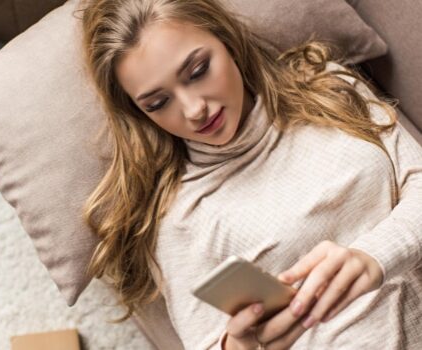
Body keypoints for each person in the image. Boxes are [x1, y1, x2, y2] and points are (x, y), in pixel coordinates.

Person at [78, 0, 422, 349]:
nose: (194, 109)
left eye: (198, 71)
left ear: (227, 41)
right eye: (158, 103)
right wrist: (242, 344)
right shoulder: (181, 219)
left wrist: (373, 258)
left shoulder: (328, 86)